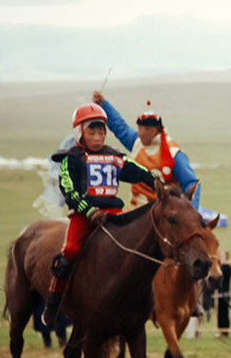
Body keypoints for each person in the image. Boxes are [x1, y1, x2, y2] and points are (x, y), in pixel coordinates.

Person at [42, 103, 156, 326]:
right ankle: (53, 304)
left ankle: (136, 302)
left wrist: (158, 183)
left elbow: (138, 171)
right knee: (70, 252)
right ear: (79, 133)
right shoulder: (71, 159)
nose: (98, 137)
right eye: (92, 132)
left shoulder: (114, 157)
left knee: (135, 249)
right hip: (83, 216)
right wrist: (89, 210)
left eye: (101, 131)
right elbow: (69, 190)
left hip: (113, 215)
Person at [92, 91, 201, 209]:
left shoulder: (174, 153)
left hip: (162, 214)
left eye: (141, 129)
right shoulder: (138, 142)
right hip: (135, 210)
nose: (138, 132)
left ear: (152, 130)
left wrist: (190, 211)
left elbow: (191, 183)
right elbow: (120, 127)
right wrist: (103, 105)